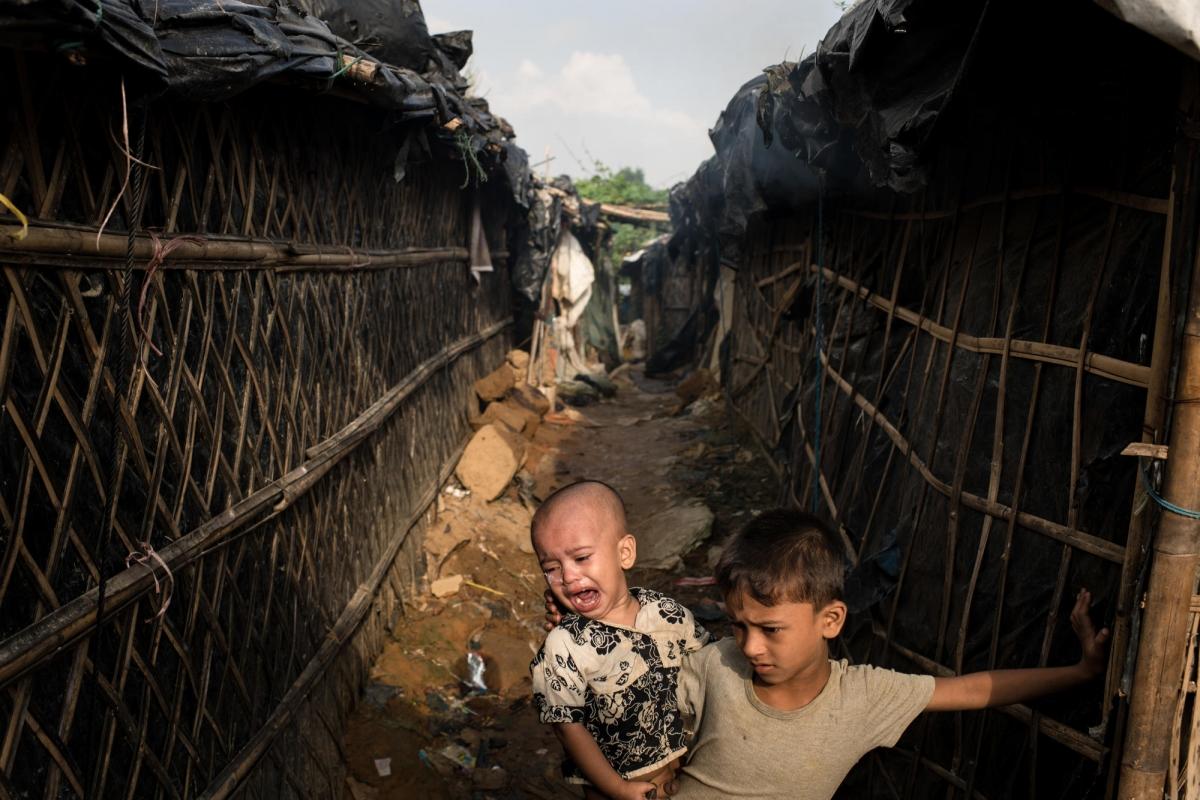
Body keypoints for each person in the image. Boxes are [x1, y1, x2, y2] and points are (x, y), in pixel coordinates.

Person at [668, 508, 1111, 799]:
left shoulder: (863, 698)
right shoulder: (714, 665)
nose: (750, 646)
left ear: (832, 621)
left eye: (770, 629)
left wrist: (1080, 671)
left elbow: (975, 689)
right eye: (738, 626)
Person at [529, 480, 712, 800]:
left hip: (684, 775)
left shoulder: (667, 615)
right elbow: (567, 726)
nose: (568, 576)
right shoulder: (565, 645)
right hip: (613, 789)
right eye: (552, 568)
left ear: (624, 553)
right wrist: (617, 788)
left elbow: (709, 670)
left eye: (581, 558)